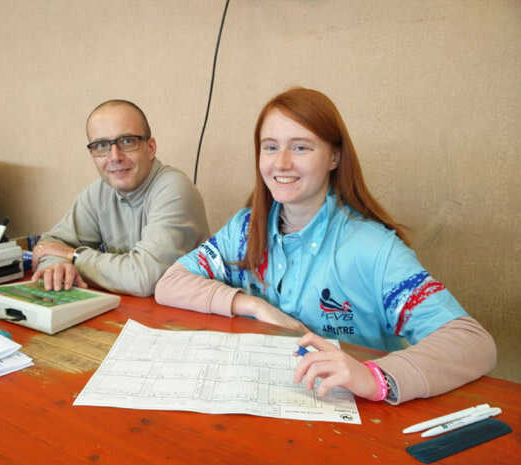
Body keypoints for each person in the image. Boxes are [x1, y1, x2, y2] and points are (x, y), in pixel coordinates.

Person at [155, 87, 496, 404]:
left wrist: (374, 377)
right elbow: (171, 283)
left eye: (300, 147)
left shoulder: (372, 248)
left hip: (353, 415)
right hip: (264, 398)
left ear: (334, 157)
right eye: (270, 146)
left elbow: (474, 343)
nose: (281, 162)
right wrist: (256, 307)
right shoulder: (245, 228)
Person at [31, 99, 210, 297]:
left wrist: (73, 256)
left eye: (127, 141)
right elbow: (50, 244)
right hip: (127, 313)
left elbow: (143, 279)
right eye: (101, 145)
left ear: (150, 148)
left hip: (185, 319)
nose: (115, 156)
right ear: (93, 155)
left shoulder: (174, 188)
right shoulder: (98, 193)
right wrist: (58, 266)